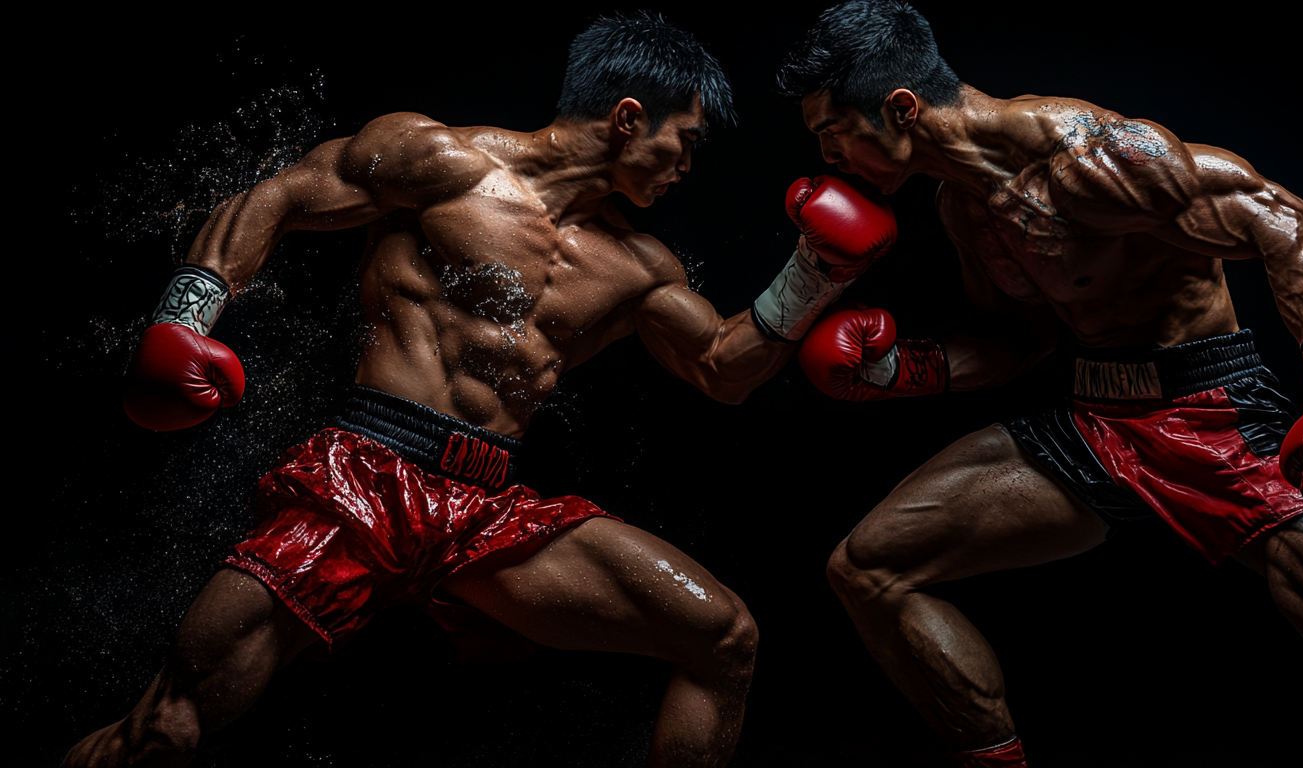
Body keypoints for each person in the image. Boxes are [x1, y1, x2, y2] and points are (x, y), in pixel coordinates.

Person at [64, 14, 897, 768]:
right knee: (168, 731)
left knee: (725, 638)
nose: (688, 165)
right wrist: (184, 319)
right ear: (629, 116)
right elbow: (276, 197)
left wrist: (814, 276)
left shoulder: (640, 266)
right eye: (686, 139)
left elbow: (722, 366)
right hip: (367, 473)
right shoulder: (444, 163)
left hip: (487, 510)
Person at [778, 2, 1303, 767]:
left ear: (901, 108)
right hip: (1097, 421)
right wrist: (894, 369)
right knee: (869, 569)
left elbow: (1282, 220)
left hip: (1216, 416)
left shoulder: (1084, 156)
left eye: (831, 130)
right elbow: (1018, 340)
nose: (828, 155)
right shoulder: (963, 208)